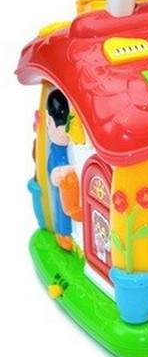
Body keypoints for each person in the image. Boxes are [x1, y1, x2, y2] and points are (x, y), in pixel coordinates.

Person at [47, 89, 73, 250]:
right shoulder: (57, 150)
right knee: (62, 207)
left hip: (72, 188)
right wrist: (61, 173)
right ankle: (63, 234)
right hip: (65, 188)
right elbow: (54, 172)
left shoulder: (69, 147)